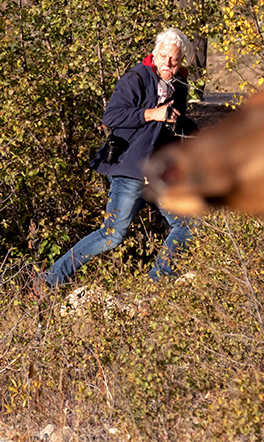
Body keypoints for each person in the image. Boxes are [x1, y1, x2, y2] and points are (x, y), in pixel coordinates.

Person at [40, 28, 197, 287]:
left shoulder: (180, 84)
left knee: (187, 226)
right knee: (112, 235)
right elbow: (111, 117)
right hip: (131, 170)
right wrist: (152, 114)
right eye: (164, 56)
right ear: (154, 54)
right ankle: (50, 279)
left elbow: (175, 124)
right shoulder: (136, 77)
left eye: (175, 59)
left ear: (182, 61)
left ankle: (156, 285)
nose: (168, 63)